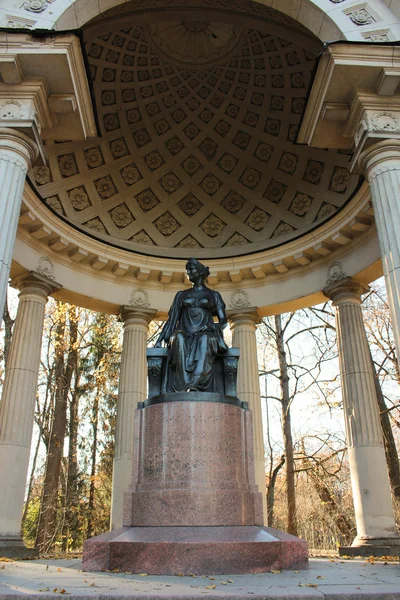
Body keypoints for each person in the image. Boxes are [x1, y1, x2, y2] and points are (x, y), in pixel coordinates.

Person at [155, 258, 228, 392]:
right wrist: (159, 341)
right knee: (178, 339)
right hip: (184, 331)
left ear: (200, 271)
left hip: (206, 332)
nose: (188, 272)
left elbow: (223, 320)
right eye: (187, 270)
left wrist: (214, 327)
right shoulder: (181, 295)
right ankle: (183, 386)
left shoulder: (214, 295)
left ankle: (195, 382)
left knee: (205, 340)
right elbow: (172, 320)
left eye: (191, 269)